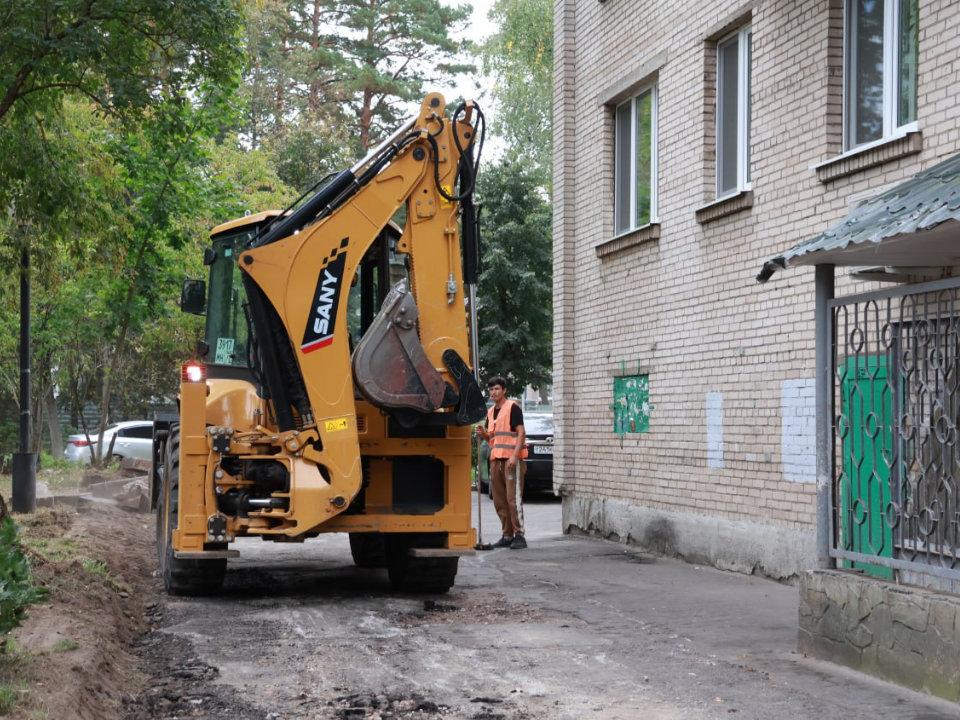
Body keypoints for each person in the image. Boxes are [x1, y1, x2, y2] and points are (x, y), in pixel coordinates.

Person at [475, 376, 528, 549]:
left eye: (497, 389)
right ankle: (507, 534)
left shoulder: (512, 407)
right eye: (491, 389)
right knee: (499, 500)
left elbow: (521, 432)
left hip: (511, 460)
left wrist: (514, 456)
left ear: (504, 390)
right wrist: (483, 433)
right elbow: (493, 438)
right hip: (495, 459)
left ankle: (519, 536)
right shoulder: (491, 413)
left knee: (512, 498)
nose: (493, 392)